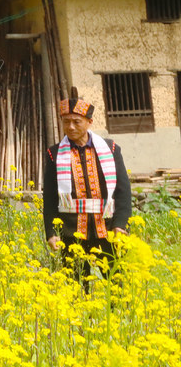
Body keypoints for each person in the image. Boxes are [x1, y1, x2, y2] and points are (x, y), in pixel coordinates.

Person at [42, 90, 131, 285]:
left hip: (106, 229)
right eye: (66, 122)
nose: (71, 127)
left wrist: (120, 224)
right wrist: (51, 232)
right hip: (71, 232)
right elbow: (49, 198)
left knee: (115, 284)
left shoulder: (111, 149)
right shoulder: (54, 154)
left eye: (76, 121)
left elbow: (123, 192)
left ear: (89, 122)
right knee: (75, 285)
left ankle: (119, 315)